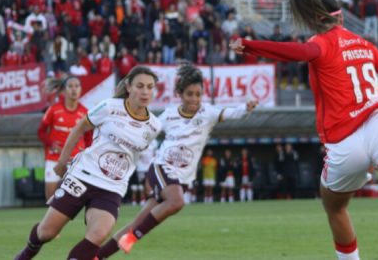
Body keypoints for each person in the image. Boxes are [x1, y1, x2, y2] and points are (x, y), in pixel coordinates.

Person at [230, 0, 378, 260]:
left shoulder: (320, 44)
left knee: (334, 206)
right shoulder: (364, 45)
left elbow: (296, 52)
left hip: (345, 138)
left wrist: (248, 45)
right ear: (341, 18)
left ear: (314, 21)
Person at [95, 64, 257, 258]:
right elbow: (145, 133)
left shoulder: (208, 114)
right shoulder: (169, 115)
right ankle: (133, 238)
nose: (194, 99)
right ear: (180, 94)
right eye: (190, 94)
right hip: (161, 168)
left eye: (198, 94)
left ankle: (98, 256)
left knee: (139, 221)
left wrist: (246, 108)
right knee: (177, 201)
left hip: (182, 179)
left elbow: (232, 113)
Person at [14, 66, 161, 260]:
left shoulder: (154, 126)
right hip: (83, 176)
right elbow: (79, 128)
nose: (145, 92)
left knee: (98, 235)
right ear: (128, 86)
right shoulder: (109, 107)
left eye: (150, 87)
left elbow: (143, 158)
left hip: (112, 187)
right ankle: (27, 253)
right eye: (140, 86)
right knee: (46, 233)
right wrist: (62, 160)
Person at [37, 76, 92, 199]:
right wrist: (51, 144)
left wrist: (87, 155)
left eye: (77, 86)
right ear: (63, 90)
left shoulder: (85, 112)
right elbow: (41, 132)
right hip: (54, 158)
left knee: (75, 199)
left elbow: (89, 138)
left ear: (81, 89)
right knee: (50, 199)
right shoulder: (54, 110)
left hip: (75, 160)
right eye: (70, 86)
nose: (74, 89)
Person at [130, 140, 156, 206]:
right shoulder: (140, 145)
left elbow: (154, 155)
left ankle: (148, 200)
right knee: (141, 185)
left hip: (149, 168)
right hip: (141, 168)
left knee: (149, 184)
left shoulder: (153, 144)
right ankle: (142, 200)